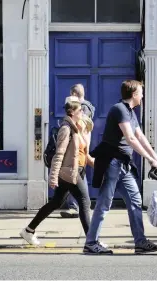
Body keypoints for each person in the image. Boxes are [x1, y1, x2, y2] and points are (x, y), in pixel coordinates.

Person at [83, 80, 157, 255]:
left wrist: (156, 158)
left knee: (135, 202)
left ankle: (140, 242)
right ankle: (91, 243)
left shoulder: (131, 112)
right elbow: (130, 138)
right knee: (104, 204)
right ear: (134, 93)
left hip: (124, 165)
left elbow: (141, 137)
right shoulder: (119, 109)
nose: (142, 95)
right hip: (113, 162)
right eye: (141, 92)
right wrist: (149, 159)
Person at [20, 101, 95, 246]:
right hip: (69, 172)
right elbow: (59, 154)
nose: (82, 113)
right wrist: (53, 177)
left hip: (75, 170)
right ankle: (92, 241)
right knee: (85, 202)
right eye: (80, 111)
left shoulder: (75, 129)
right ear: (72, 112)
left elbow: (82, 153)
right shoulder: (66, 129)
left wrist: (96, 164)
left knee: (56, 202)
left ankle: (28, 231)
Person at [60, 84, 96, 219]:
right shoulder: (87, 107)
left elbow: (79, 127)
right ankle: (79, 205)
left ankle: (77, 206)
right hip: (81, 147)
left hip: (77, 147)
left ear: (74, 94)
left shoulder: (82, 109)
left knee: (77, 174)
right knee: (78, 174)